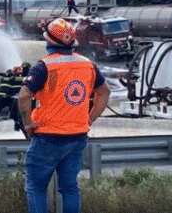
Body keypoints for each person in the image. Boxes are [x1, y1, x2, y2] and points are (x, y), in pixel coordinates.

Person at [18, 17, 111, 213]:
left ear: (49, 41)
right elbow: (105, 91)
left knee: (36, 186)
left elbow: (24, 96)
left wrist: (28, 124)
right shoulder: (88, 65)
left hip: (47, 136)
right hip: (77, 136)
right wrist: (90, 118)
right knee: (69, 187)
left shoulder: (45, 66)